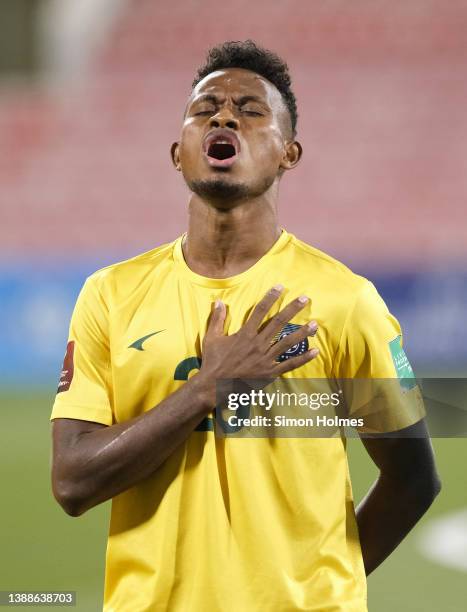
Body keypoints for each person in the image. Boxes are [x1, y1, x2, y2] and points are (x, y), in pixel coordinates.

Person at [50, 40, 441, 612]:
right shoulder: (110, 294)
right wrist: (207, 389)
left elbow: (413, 480)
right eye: (205, 108)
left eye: (251, 109)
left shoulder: (344, 301)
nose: (224, 115)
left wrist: (323, 588)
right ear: (178, 153)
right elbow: (73, 484)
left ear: (289, 152)